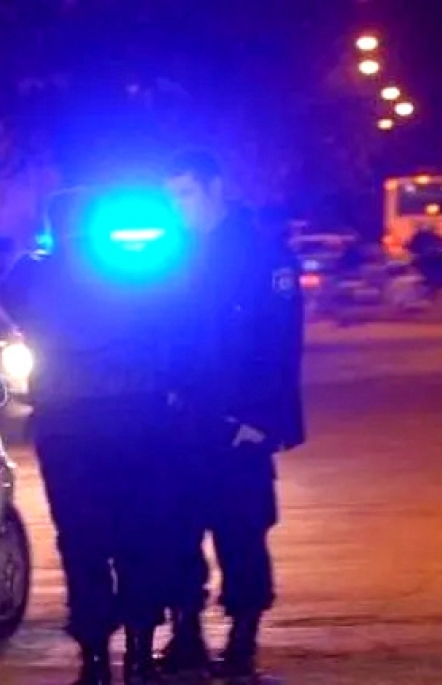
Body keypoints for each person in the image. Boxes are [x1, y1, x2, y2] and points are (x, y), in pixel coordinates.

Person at [0, 188, 185, 685]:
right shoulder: (134, 272)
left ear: (52, 227)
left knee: (81, 542)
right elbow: (173, 318)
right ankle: (141, 656)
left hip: (68, 426)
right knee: (141, 538)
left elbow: (10, 297)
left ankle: (95, 659)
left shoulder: (31, 277)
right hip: (137, 420)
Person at [159, 151, 306, 681]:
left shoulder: (262, 255)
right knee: (177, 533)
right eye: (172, 197)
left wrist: (263, 419)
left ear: (215, 188)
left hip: (239, 424)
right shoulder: (173, 258)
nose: (180, 208)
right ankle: (187, 634)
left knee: (242, 534)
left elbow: (280, 345)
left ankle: (243, 642)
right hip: (181, 423)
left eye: (187, 194)